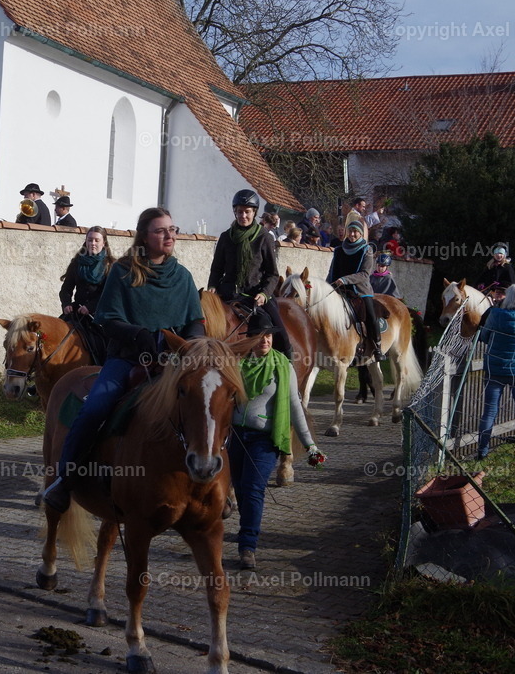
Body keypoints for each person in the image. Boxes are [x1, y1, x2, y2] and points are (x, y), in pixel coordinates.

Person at [42, 207, 206, 512]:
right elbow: (108, 318)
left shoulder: (182, 277)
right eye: (161, 230)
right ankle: (64, 481)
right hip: (129, 360)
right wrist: (139, 334)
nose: (169, 235)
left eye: (173, 229)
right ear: (144, 235)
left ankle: (218, 485)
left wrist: (194, 342)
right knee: (94, 409)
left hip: (172, 363)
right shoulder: (123, 271)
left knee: (211, 406)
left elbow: (194, 320)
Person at [230, 311, 321, 570]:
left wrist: (310, 445)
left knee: (253, 490)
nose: (265, 341)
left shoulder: (283, 366)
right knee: (240, 489)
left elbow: (295, 406)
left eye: (268, 336)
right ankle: (245, 534)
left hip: (264, 440)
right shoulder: (236, 364)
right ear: (250, 339)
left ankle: (247, 547)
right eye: (260, 336)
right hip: (236, 437)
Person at [207, 189, 292, 360]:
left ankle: (288, 365)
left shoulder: (264, 238)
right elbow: (216, 269)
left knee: (280, 330)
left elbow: (272, 274)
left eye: (247, 212)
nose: (243, 215)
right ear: (235, 212)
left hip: (254, 295)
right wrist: (212, 287)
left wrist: (263, 293)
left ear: (254, 213)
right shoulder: (225, 237)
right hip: (228, 294)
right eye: (239, 211)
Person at [476, 283, 515, 459]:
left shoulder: (496, 315)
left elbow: (484, 337)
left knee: (489, 411)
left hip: (496, 369)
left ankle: (482, 451)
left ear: (508, 297)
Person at [328, 217, 387, 362]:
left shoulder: (367, 250)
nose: (352, 234)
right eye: (350, 231)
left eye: (355, 231)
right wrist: (327, 287)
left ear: (361, 234)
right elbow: (332, 272)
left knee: (370, 315)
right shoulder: (338, 250)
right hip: (340, 290)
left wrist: (346, 280)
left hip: (360, 291)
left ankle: (377, 347)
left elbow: (364, 274)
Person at [355, 252, 402, 402]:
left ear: (387, 266)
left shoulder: (389, 279)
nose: (380, 268)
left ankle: (380, 345)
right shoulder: (371, 277)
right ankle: (363, 391)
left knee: (378, 323)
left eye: (383, 266)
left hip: (382, 309)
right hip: (370, 306)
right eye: (379, 265)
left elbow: (393, 297)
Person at [60, 226, 114, 317]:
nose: (93, 243)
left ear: (103, 243)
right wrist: (66, 304)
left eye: (97, 240)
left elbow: (110, 293)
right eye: (90, 240)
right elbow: (66, 289)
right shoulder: (77, 262)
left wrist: (90, 307)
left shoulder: (111, 265)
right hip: (77, 310)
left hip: (101, 313)